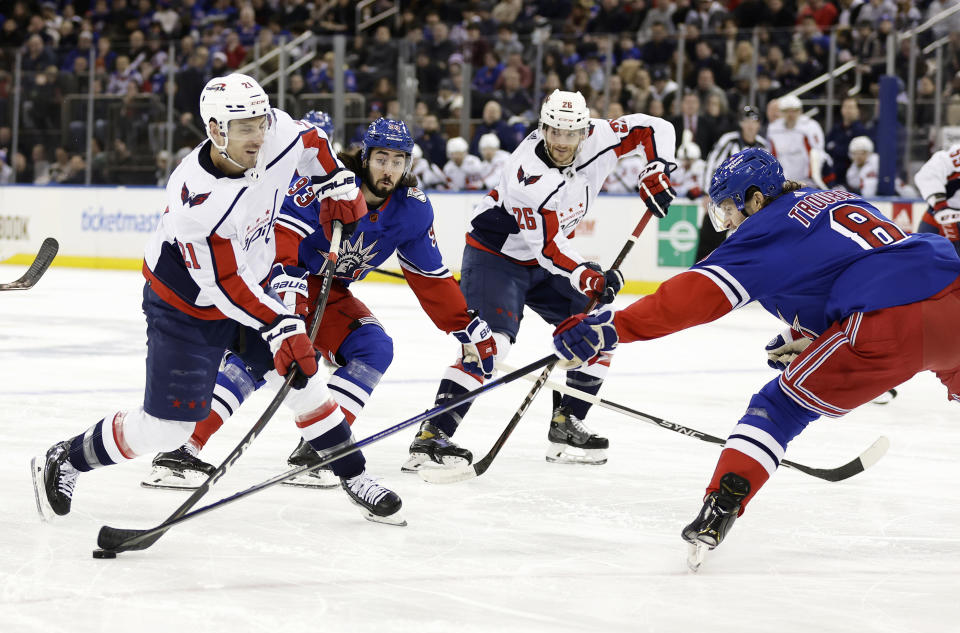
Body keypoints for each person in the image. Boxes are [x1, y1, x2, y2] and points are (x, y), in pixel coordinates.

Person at [551, 148, 960, 569]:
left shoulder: (766, 229)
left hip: (887, 321)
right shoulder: (833, 199)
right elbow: (853, 267)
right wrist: (803, 334)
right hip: (952, 290)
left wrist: (610, 328)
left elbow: (692, 296)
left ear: (756, 199)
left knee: (778, 408)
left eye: (728, 207)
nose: (726, 222)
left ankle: (720, 507)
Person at [30, 73, 398, 526]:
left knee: (304, 378)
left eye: (261, 122)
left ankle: (352, 474)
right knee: (166, 427)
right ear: (215, 131)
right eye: (246, 128)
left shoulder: (275, 134)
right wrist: (281, 325)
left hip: (252, 282)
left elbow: (313, 140)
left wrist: (336, 180)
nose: (259, 136)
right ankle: (68, 457)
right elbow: (225, 284)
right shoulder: (197, 202)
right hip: (187, 305)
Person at [142, 117, 497, 500]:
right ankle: (180, 451)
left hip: (331, 294)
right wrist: (286, 286)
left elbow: (429, 275)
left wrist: (464, 325)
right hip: (276, 279)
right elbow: (282, 231)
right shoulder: (332, 184)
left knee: (374, 347)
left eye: (398, 161)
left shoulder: (411, 210)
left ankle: (318, 450)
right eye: (381, 158)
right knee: (259, 358)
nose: (389, 169)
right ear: (365, 157)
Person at [404, 89, 677, 471]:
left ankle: (567, 421)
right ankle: (434, 434)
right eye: (554, 132)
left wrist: (657, 167)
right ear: (542, 127)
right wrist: (587, 274)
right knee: (491, 346)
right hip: (496, 257)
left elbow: (655, 127)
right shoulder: (527, 175)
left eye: (571, 134)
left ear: (585, 131)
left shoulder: (601, 136)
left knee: (597, 327)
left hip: (542, 259)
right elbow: (548, 248)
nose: (562, 143)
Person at [696, 105, 769, 261]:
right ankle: (700, 273)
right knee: (710, 240)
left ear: (759, 124)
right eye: (746, 120)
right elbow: (712, 164)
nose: (750, 125)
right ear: (741, 123)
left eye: (754, 121)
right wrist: (707, 193)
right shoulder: (729, 140)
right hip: (724, 200)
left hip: (749, 204)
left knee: (744, 243)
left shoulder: (762, 145)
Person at [766, 95, 828, 188]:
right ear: (781, 112)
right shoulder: (773, 129)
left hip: (806, 180)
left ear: (800, 111)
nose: (791, 114)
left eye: (794, 111)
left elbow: (817, 152)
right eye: (787, 111)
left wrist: (814, 177)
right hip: (783, 181)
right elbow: (771, 154)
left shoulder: (810, 127)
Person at [914, 142, 960, 257]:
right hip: (940, 217)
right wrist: (940, 205)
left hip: (944, 217)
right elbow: (927, 174)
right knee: (922, 258)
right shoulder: (954, 155)